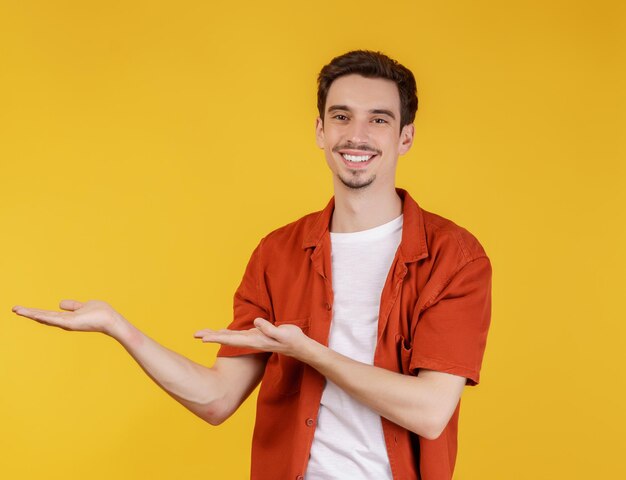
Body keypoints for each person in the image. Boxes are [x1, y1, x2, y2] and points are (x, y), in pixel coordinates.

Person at [12, 50, 492, 480]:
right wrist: (121, 329)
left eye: (379, 120)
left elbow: (431, 411)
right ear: (320, 131)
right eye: (341, 116)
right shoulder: (277, 253)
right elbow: (217, 398)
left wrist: (309, 352)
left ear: (406, 137)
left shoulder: (454, 257)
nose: (357, 135)